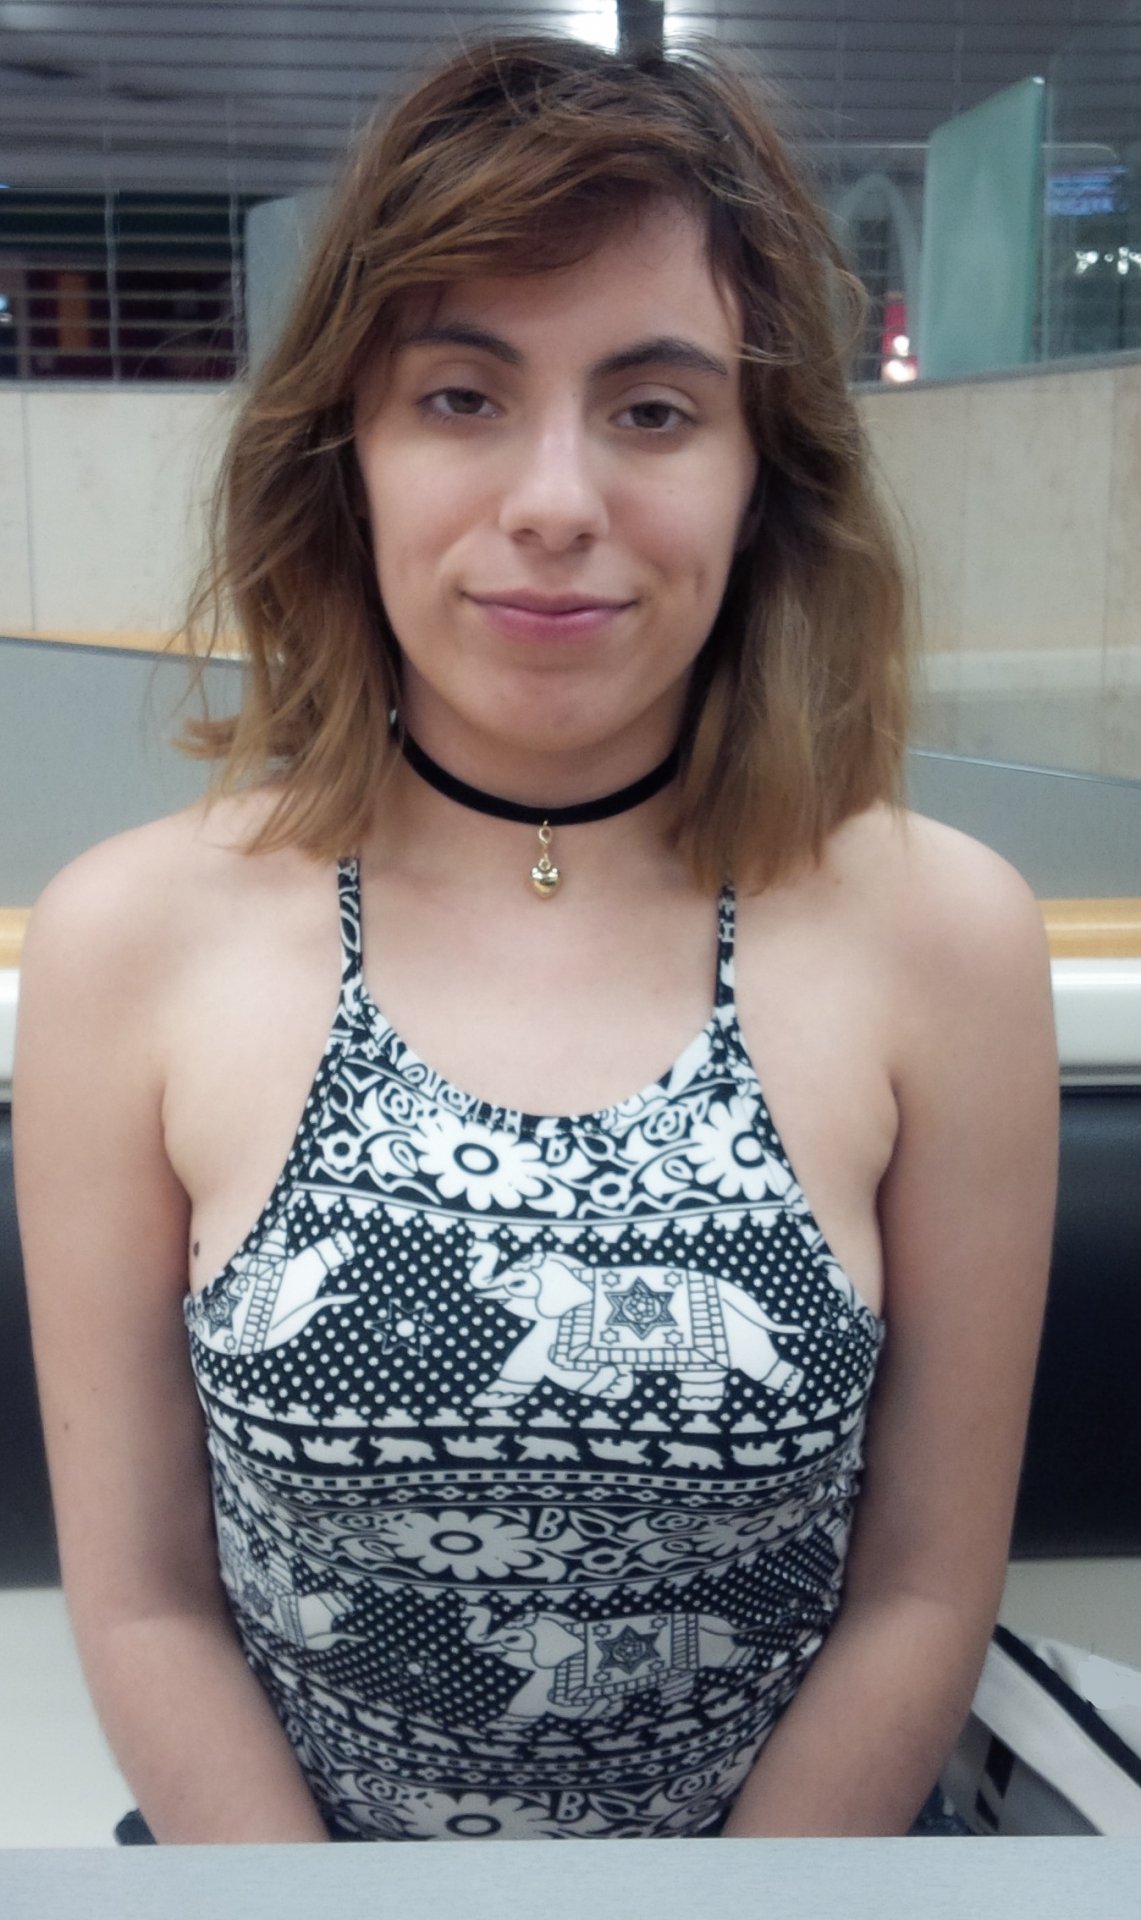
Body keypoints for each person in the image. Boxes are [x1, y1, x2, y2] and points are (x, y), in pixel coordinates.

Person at [12, 32, 1059, 1845]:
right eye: (460, 396)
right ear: (347, 456)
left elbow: (917, 1588)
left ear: (762, 474)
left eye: (652, 411)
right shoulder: (125, 941)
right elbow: (148, 1604)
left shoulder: (945, 937)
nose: (557, 502)